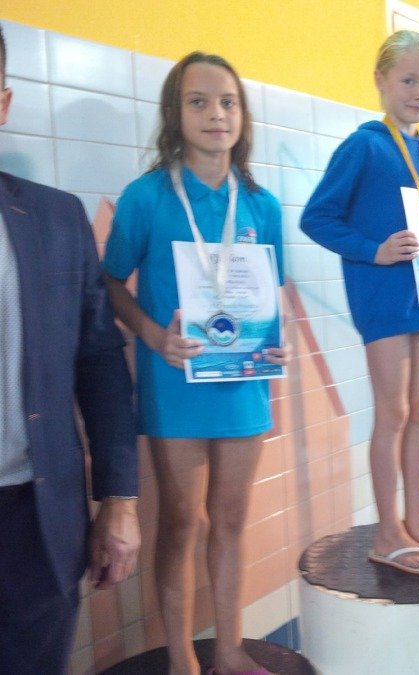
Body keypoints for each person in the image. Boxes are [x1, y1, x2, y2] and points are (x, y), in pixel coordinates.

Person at [103, 52, 288, 675]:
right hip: (174, 382)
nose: (216, 114)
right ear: (174, 113)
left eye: (228, 102)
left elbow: (266, 295)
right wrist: (155, 337)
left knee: (231, 523)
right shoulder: (146, 197)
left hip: (243, 386)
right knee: (182, 522)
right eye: (199, 101)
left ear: (243, 115)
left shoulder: (261, 205)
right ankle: (183, 660)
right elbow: (110, 284)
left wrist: (274, 343)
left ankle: (230, 651)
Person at [301, 30, 419, 575]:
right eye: (408, 80)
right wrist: (373, 251)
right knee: (394, 411)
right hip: (385, 295)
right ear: (380, 80)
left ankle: (416, 522)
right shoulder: (364, 146)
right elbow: (317, 218)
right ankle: (386, 533)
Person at [0, 24, 140, 674]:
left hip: (36, 520)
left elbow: (101, 366)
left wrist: (119, 500)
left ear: (3, 104)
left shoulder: (57, 220)